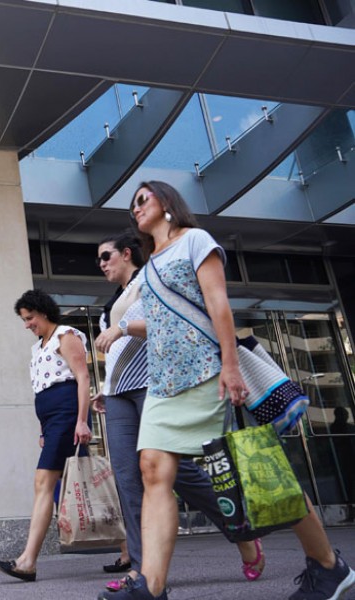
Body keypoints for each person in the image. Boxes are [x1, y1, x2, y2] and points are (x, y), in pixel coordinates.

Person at [100, 181, 355, 600]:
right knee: (152, 469)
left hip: (204, 371)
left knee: (255, 472)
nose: (136, 209)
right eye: (132, 206)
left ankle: (329, 564)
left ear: (167, 203)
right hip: (164, 382)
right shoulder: (149, 267)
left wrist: (230, 366)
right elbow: (161, 324)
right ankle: (152, 586)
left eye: (142, 199)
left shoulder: (196, 241)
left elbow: (218, 304)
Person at [91, 231, 263, 593]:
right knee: (127, 478)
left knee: (178, 470)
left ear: (126, 254)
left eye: (106, 256)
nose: (102, 264)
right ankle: (141, 573)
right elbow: (117, 351)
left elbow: (168, 325)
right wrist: (104, 389)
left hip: (156, 385)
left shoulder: (149, 281)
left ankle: (243, 530)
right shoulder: (113, 300)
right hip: (120, 394)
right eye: (99, 260)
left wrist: (122, 328)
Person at [0, 289, 92, 582]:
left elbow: (82, 377)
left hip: (66, 415)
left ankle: (27, 561)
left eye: (30, 318)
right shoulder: (38, 348)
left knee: (43, 482)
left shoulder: (67, 335)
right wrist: (42, 430)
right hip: (51, 421)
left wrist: (82, 421)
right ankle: (129, 550)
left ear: (44, 311)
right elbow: (41, 388)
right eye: (24, 320)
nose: (27, 325)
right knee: (83, 485)